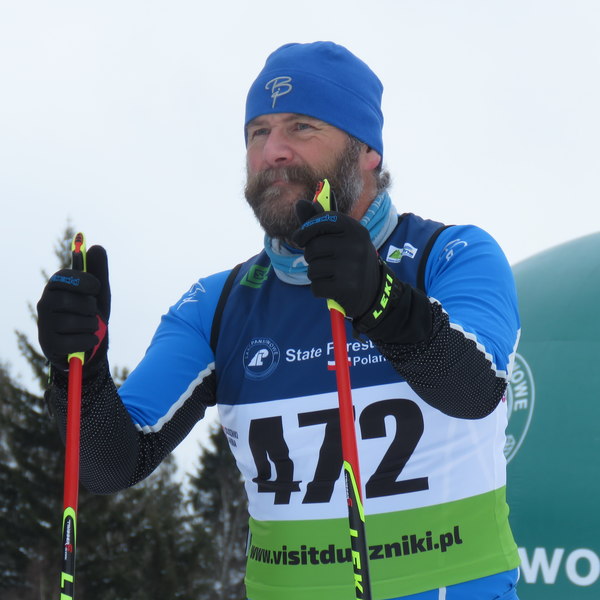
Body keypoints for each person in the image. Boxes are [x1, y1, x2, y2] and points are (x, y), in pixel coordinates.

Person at [37, 41, 521, 600]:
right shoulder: (218, 304)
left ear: (367, 150)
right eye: (257, 132)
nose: (273, 151)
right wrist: (79, 374)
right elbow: (112, 464)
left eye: (302, 127)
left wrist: (379, 300)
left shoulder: (451, 255)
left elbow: (474, 389)